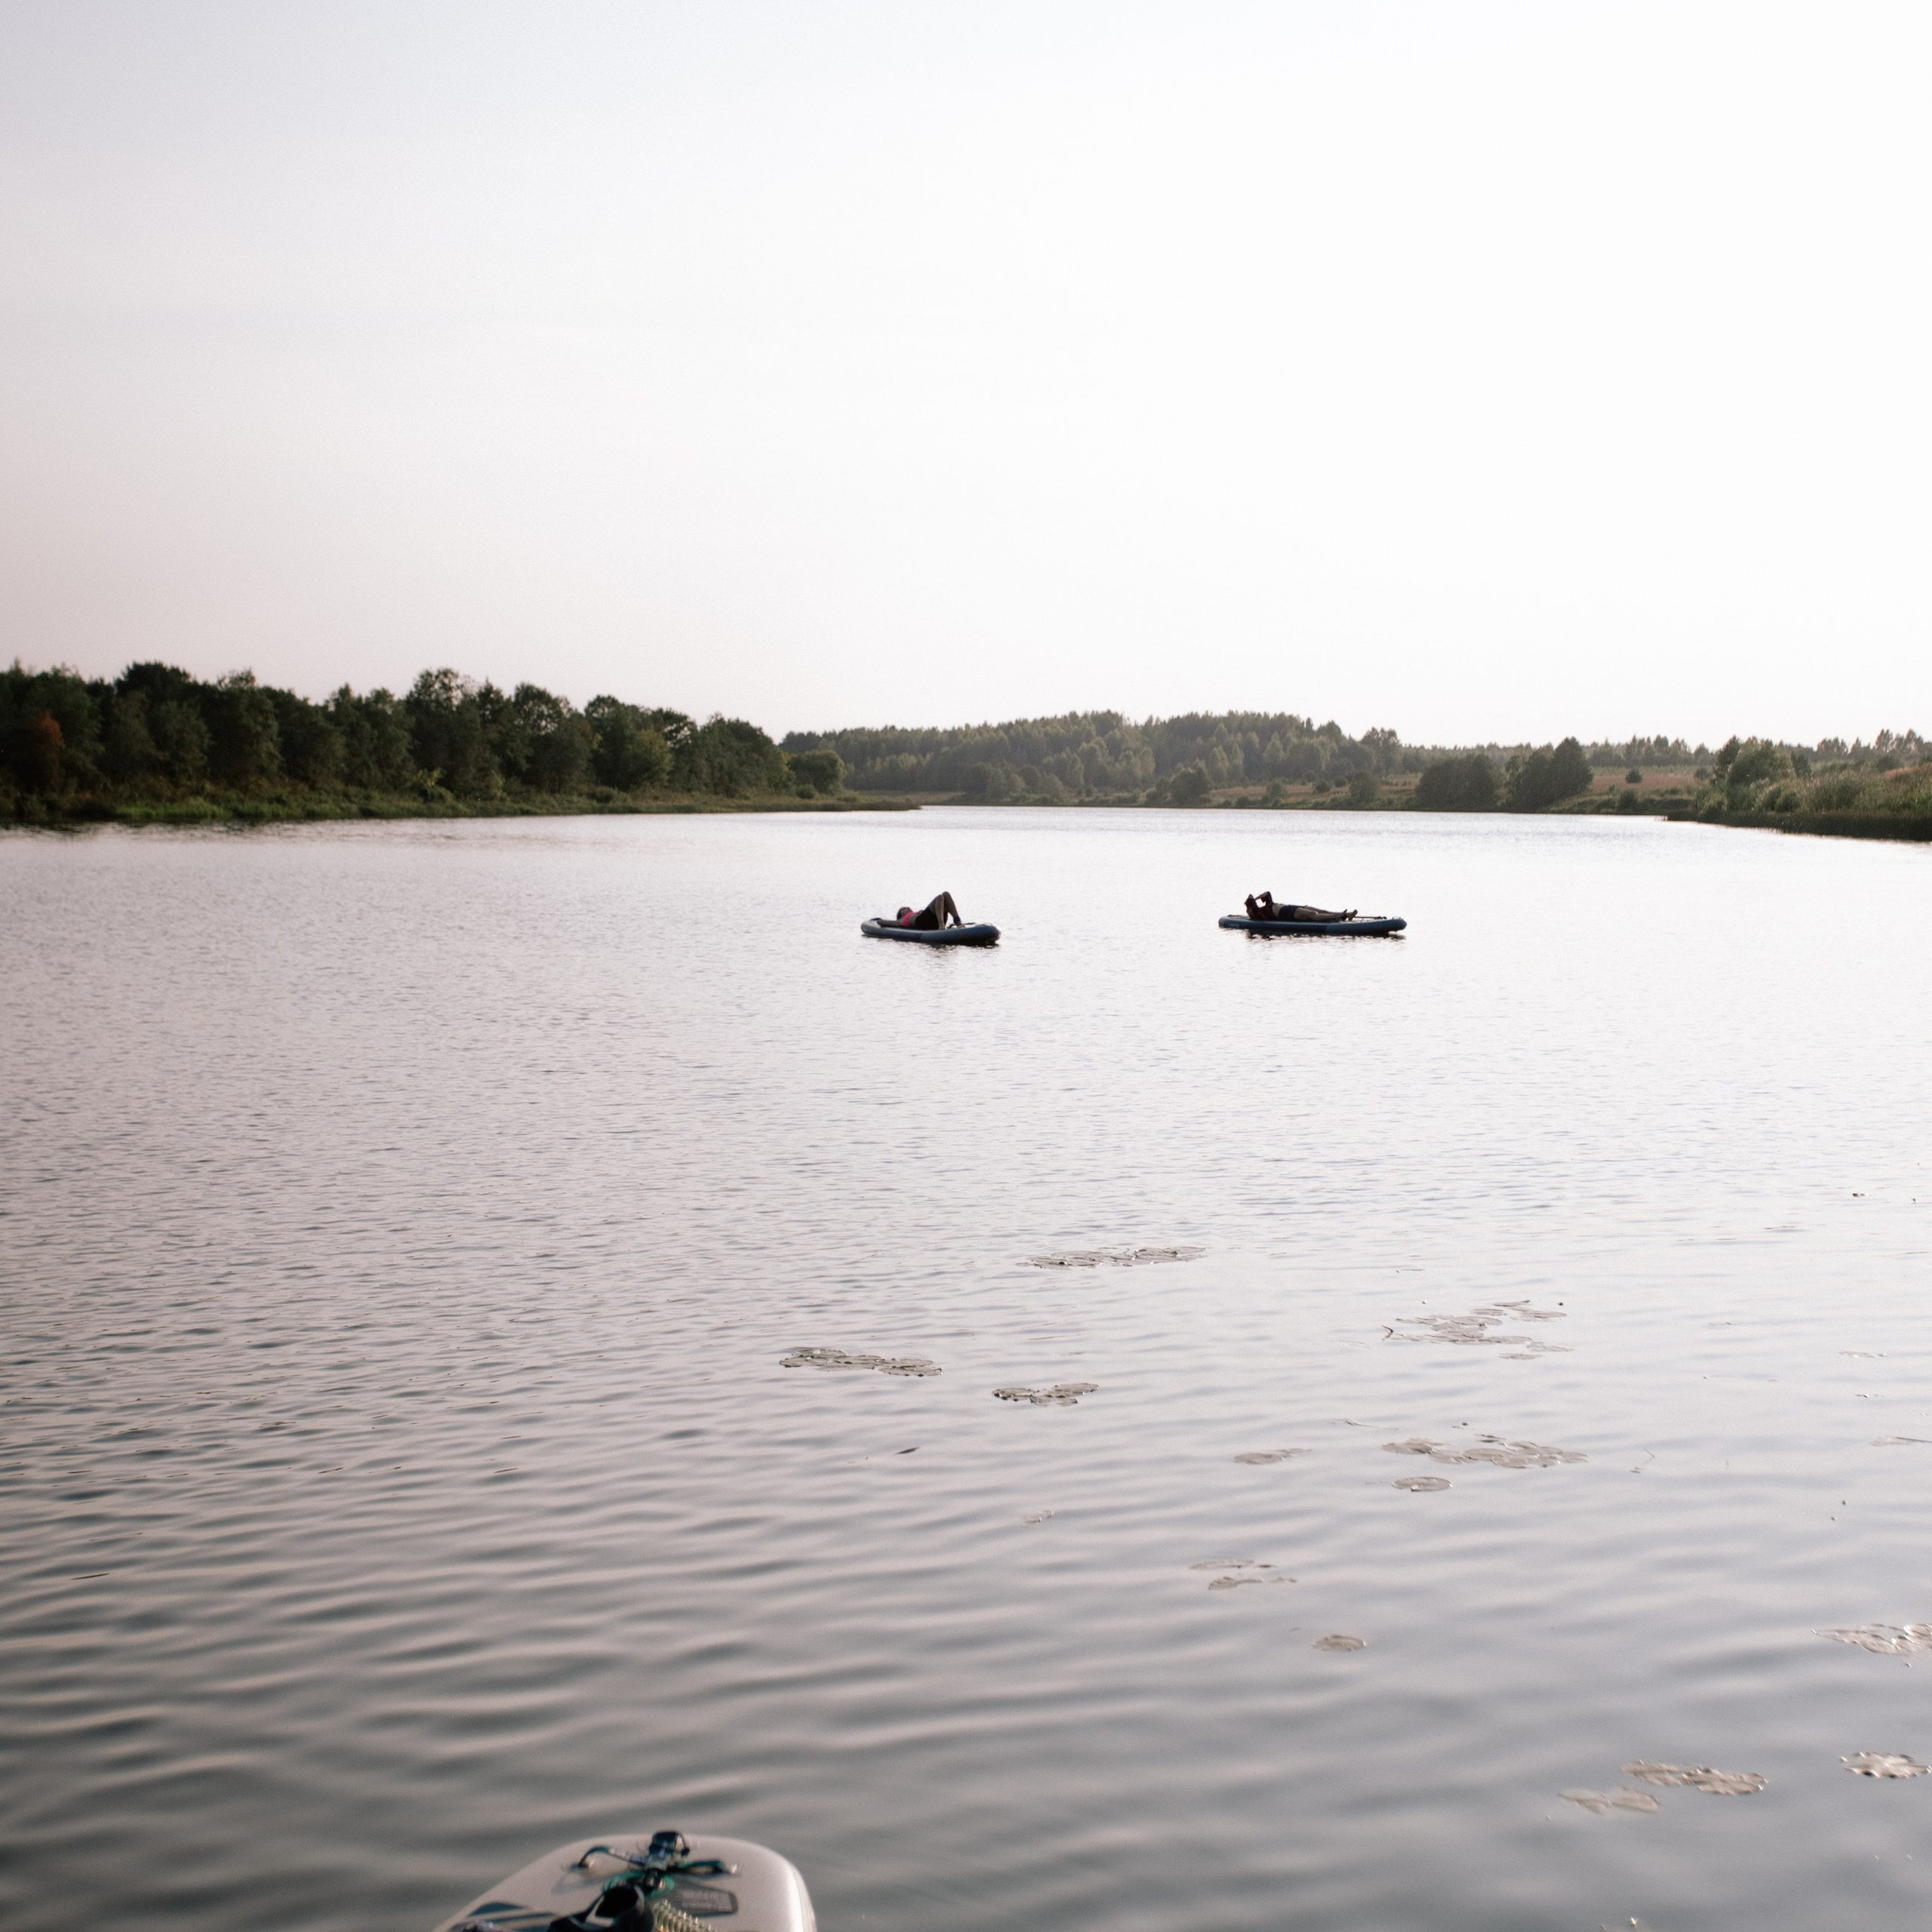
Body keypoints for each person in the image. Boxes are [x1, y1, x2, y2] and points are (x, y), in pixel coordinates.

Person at [1244, 891, 1357, 922]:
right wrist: (1251, 902)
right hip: (1287, 914)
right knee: (1312, 915)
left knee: (1321, 910)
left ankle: (1347, 915)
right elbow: (1251, 909)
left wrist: (1256, 898)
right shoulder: (1258, 913)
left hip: (1290, 907)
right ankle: (1335, 917)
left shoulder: (1267, 905)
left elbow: (1267, 893)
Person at [896, 891, 965, 931]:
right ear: (901, 916)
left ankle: (958, 922)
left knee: (946, 894)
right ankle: (941, 926)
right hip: (924, 923)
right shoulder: (901, 920)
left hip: (933, 920)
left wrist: (920, 912)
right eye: (903, 909)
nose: (907, 907)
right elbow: (888, 923)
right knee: (940, 897)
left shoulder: (917, 913)